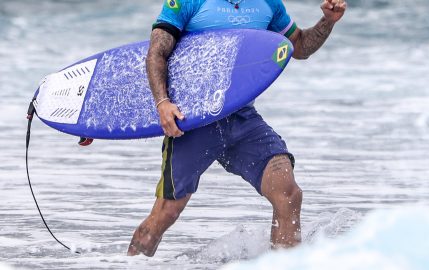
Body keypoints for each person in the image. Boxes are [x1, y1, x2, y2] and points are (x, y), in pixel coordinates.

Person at [128, 0, 346, 257]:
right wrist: (162, 103)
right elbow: (157, 52)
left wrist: (328, 21)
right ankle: (129, 264)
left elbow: (298, 46)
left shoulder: (268, 4)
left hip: (242, 118)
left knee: (288, 194)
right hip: (193, 120)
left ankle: (284, 264)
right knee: (166, 213)